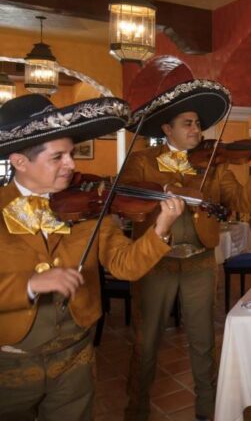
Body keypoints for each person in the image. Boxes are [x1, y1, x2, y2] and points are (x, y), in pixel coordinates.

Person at [0, 94, 183, 421]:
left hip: (75, 357)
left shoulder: (88, 204)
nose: (71, 164)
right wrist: (30, 283)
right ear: (19, 161)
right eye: (58, 157)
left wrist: (161, 229)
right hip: (9, 363)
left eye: (70, 153)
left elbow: (125, 266)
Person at [122, 80, 251, 421]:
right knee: (145, 343)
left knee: (203, 340)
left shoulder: (214, 165)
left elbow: (240, 203)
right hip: (155, 264)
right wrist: (171, 186)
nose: (196, 129)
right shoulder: (142, 161)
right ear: (167, 129)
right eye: (187, 124)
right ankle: (136, 411)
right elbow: (127, 195)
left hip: (199, 262)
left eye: (197, 123)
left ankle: (208, 409)